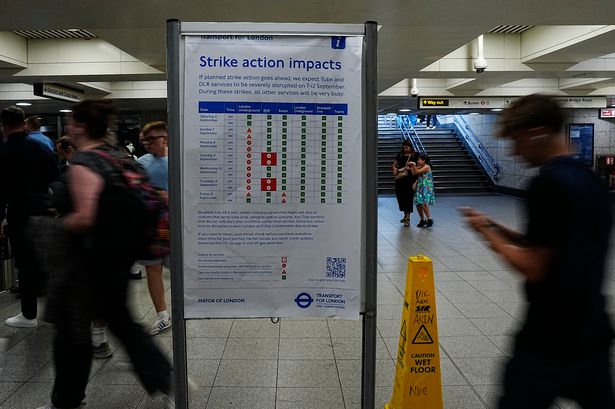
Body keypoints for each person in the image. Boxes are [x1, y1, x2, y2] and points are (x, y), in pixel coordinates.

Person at [461, 94, 614, 409]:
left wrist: (486, 233)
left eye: (517, 140)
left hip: (548, 338)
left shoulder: (548, 183)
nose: (515, 152)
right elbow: (557, 242)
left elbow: (534, 265)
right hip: (591, 331)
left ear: (538, 132)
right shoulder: (590, 179)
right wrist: (500, 227)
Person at [37, 100, 174, 409]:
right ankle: (166, 380)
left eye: (71, 123)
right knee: (121, 325)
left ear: (81, 127)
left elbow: (85, 217)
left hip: (85, 263)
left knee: (72, 333)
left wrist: (52, 226)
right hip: (119, 257)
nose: (69, 127)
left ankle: (66, 400)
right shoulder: (123, 159)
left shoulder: (85, 164)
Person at [0, 106, 58, 328]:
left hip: (19, 213)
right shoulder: (40, 147)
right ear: (24, 123)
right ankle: (56, 311)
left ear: (4, 126)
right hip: (44, 210)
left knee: (24, 263)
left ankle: (28, 314)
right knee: (46, 260)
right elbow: (54, 176)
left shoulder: (3, 152)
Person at [137, 121, 171, 335]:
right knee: (153, 268)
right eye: (145, 140)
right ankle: (163, 316)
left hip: (176, 224)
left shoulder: (179, 160)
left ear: (165, 139)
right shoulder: (140, 163)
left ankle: (188, 309)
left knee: (182, 269)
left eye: (153, 139)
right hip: (151, 224)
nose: (148, 143)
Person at [392, 140, 417, 227]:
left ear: (411, 147)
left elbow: (418, 168)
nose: (405, 149)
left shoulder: (415, 156)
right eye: (404, 147)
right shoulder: (400, 155)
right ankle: (405, 215)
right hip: (400, 180)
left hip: (410, 180)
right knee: (401, 198)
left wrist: (412, 168)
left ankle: (408, 218)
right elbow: (394, 164)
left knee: (408, 199)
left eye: (407, 147)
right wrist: (395, 169)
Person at [408, 153, 435, 227]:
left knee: (423, 203)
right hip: (420, 186)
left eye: (419, 160)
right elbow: (414, 173)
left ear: (424, 161)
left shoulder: (426, 167)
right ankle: (422, 219)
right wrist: (411, 167)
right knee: (418, 203)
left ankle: (429, 219)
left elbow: (416, 172)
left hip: (426, 187)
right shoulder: (421, 166)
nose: (417, 161)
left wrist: (413, 165)